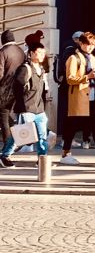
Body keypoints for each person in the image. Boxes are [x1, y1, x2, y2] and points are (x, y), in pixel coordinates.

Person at [60, 32, 95, 165]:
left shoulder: (93, 58)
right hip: (78, 98)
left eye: (93, 45)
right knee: (72, 126)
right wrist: (87, 77)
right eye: (88, 44)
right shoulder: (73, 58)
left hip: (92, 97)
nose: (91, 47)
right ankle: (65, 153)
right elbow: (70, 79)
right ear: (81, 43)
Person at [6, 38, 52, 162]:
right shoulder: (25, 69)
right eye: (39, 53)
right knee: (20, 134)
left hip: (39, 109)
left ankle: (42, 160)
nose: (42, 55)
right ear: (31, 53)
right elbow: (17, 88)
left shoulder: (41, 70)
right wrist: (21, 108)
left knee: (42, 137)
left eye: (43, 53)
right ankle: (5, 155)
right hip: (27, 108)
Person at [0, 29, 25, 168]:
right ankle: (14, 139)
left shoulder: (3, 52)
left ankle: (9, 145)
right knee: (7, 117)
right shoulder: (20, 51)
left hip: (4, 91)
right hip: (18, 90)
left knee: (3, 117)